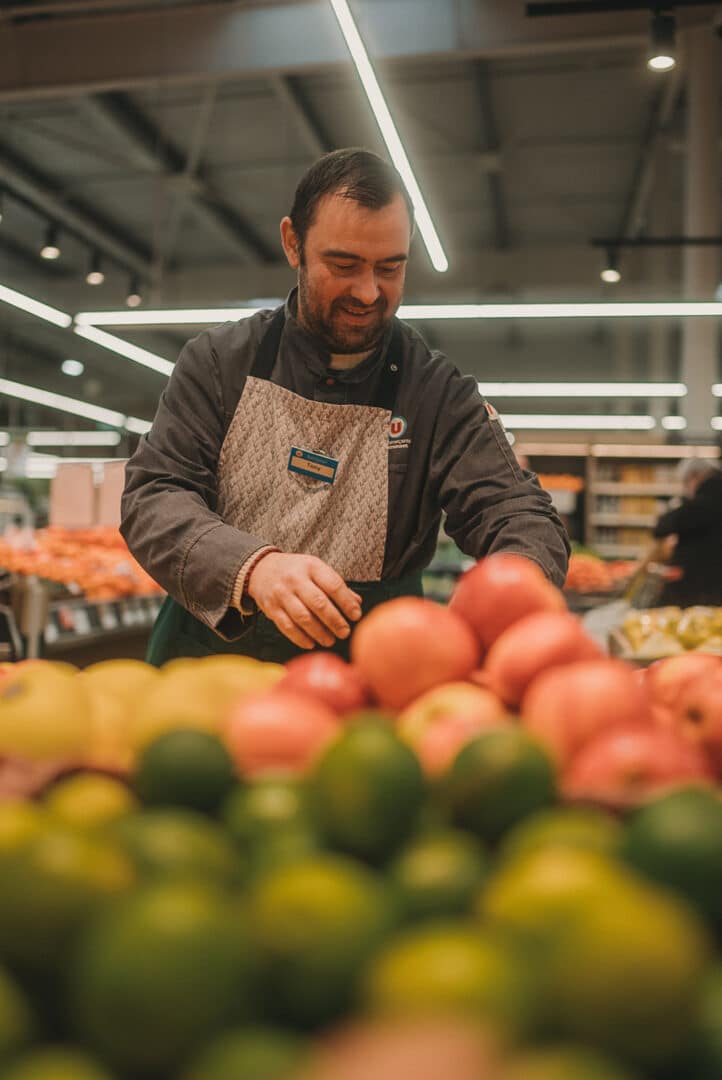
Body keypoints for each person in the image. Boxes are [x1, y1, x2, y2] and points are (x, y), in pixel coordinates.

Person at [121, 148, 569, 666]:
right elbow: (153, 495)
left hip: (376, 676)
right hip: (209, 664)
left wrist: (512, 590)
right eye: (344, 264)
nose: (368, 291)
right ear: (293, 243)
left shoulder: (436, 394)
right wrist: (253, 569)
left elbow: (516, 511)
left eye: (390, 268)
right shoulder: (220, 363)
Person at [651, 457, 722, 608]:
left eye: (685, 483)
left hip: (701, 584)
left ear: (695, 476)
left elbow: (663, 527)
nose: (686, 489)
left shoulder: (708, 497)